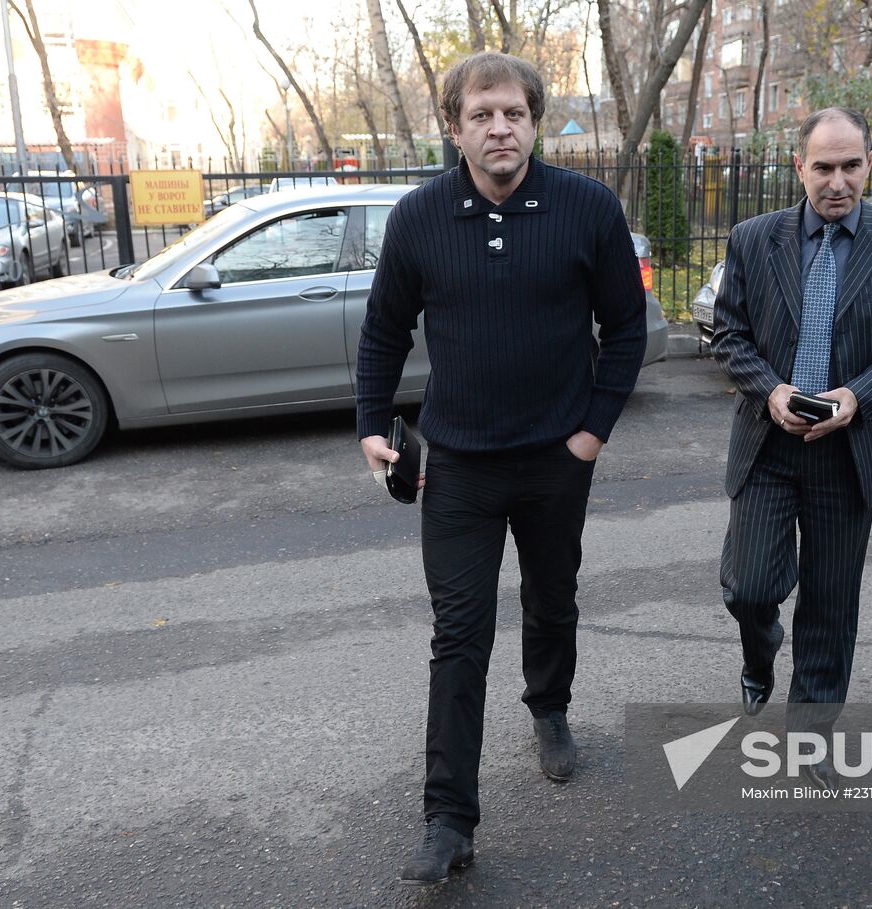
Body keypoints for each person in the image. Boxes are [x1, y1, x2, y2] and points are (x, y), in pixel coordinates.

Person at [354, 52, 647, 885]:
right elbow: (383, 333)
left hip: (557, 459)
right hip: (456, 468)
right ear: (456, 127)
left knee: (553, 600)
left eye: (513, 112)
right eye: (481, 114)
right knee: (459, 635)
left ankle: (549, 709)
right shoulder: (418, 218)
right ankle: (448, 818)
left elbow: (625, 330)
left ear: (534, 121)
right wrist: (373, 423)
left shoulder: (586, 208)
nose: (499, 127)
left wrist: (591, 434)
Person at [712, 107, 872, 788]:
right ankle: (760, 651)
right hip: (768, 444)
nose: (837, 181)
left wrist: (856, 395)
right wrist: (772, 388)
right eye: (823, 167)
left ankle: (809, 738)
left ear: (871, 162)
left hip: (848, 450)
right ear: (798, 167)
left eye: (851, 165)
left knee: (831, 603)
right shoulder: (753, 238)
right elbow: (728, 335)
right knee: (750, 587)